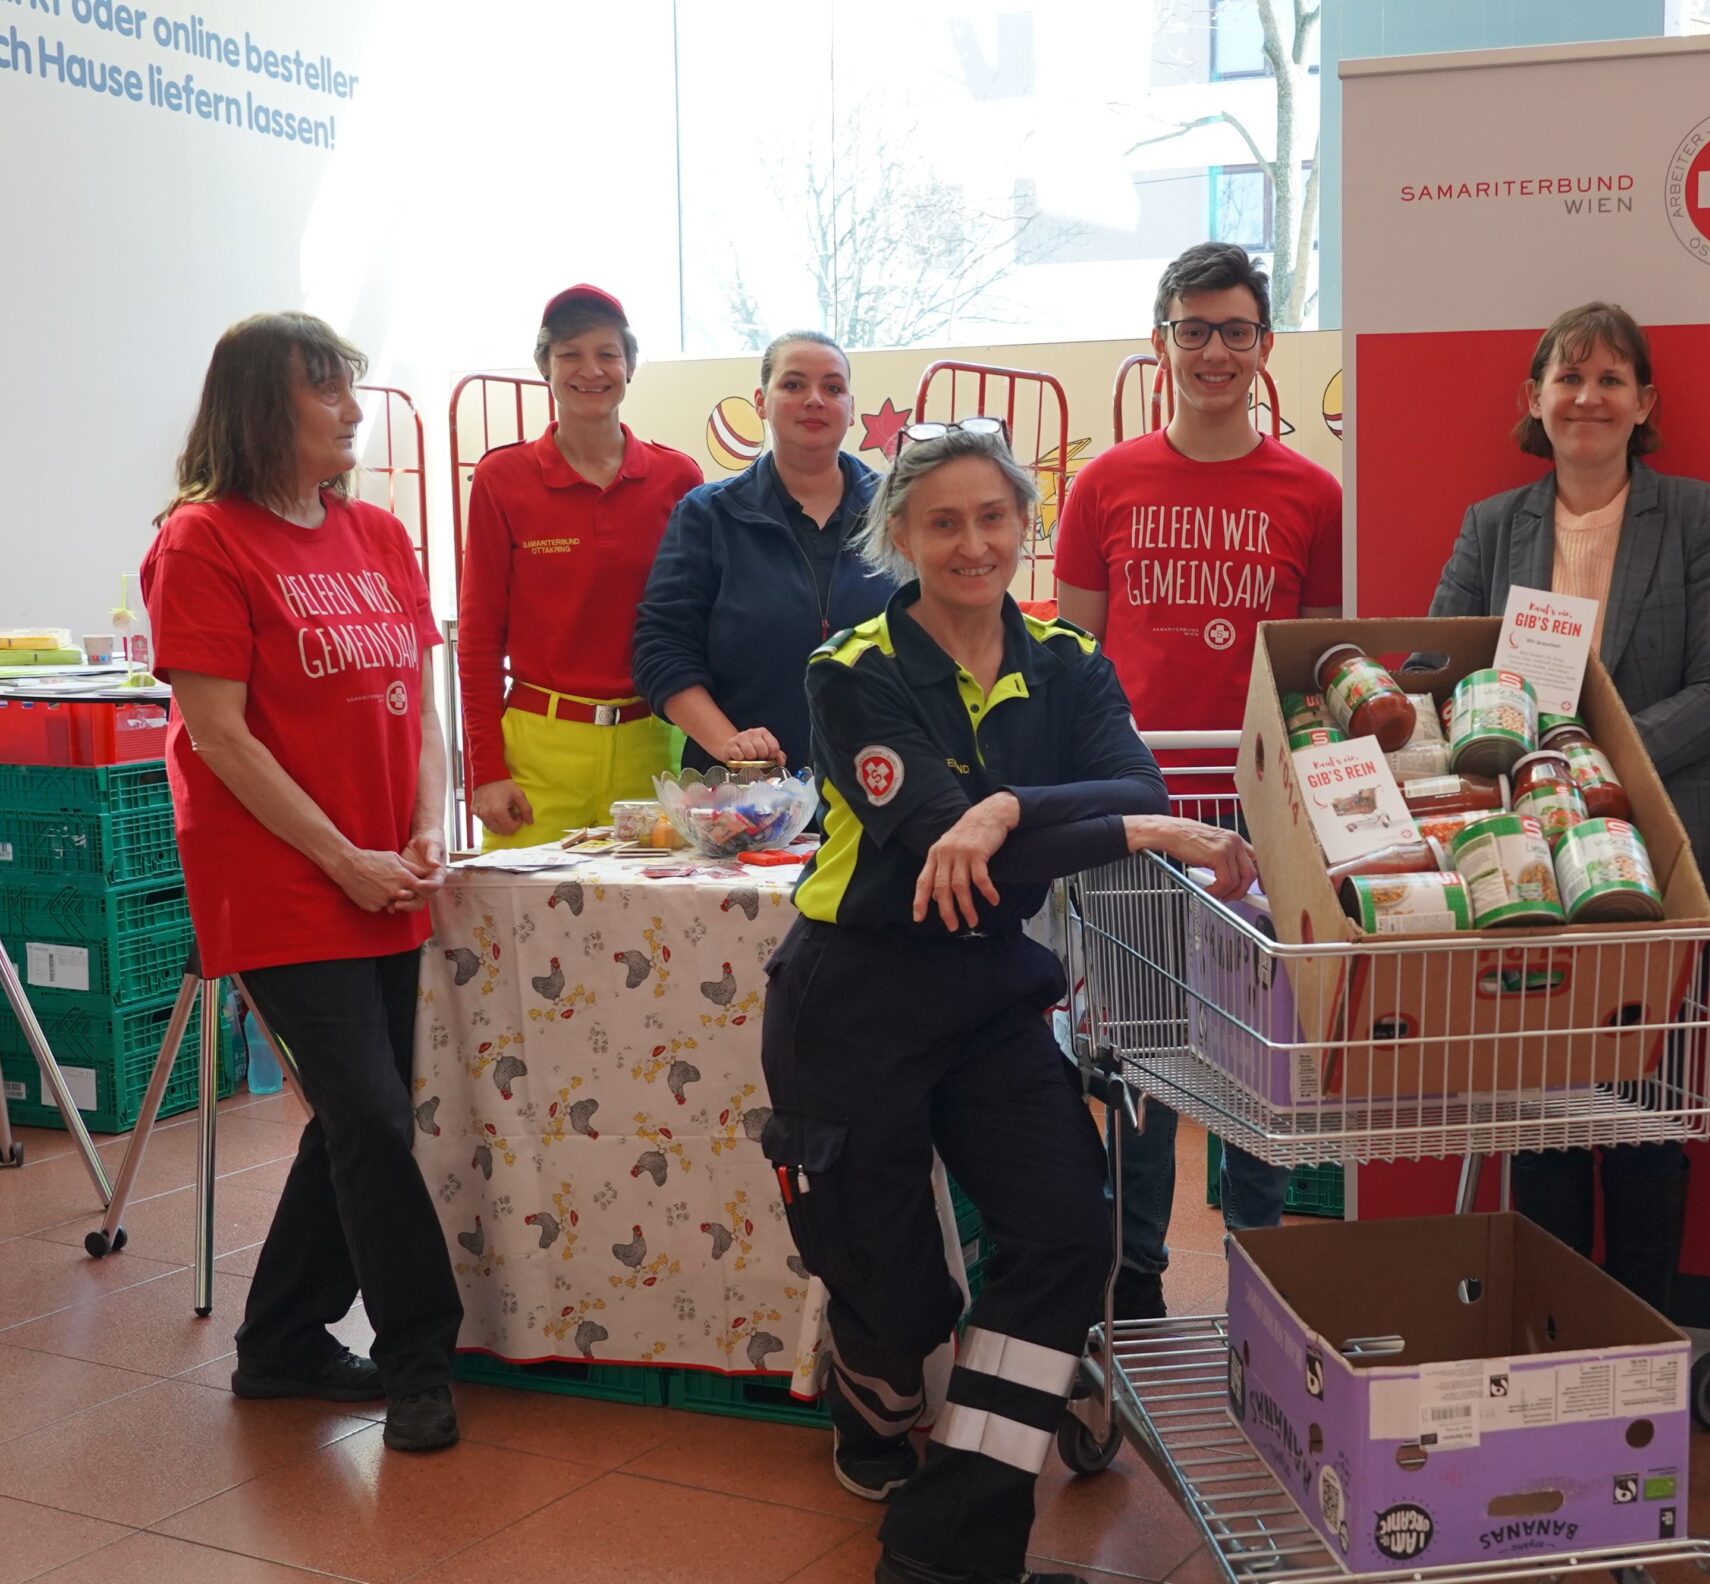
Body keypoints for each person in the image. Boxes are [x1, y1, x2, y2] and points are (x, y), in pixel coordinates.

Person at [762, 425, 1255, 1584]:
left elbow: (1129, 783)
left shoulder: (1067, 659)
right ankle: (873, 1388)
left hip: (989, 996)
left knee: (1065, 1237)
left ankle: (950, 1551)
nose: (972, 543)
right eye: (942, 522)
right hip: (852, 1000)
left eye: (993, 517)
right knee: (901, 1303)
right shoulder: (851, 669)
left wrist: (1007, 805)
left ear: (1025, 527)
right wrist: (1075, 823)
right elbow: (957, 841)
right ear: (901, 535)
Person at [139, 312, 466, 1453]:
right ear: (257, 407)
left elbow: (418, 705)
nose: (351, 409)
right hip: (283, 880)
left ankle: (279, 1340)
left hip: (385, 868)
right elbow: (219, 736)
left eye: (349, 387)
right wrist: (342, 858)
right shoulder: (201, 541)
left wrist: (424, 826)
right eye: (324, 388)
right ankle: (422, 1357)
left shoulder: (376, 533)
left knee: (353, 1117)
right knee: (371, 1118)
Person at [1429, 300, 1710, 1315]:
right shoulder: (1493, 526)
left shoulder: (1701, 517)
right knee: (1543, 1108)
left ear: (1644, 402)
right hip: (1522, 855)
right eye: (1568, 378)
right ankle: (1551, 1332)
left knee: (1648, 1108)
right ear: (1535, 399)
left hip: (1658, 841)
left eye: (1611, 379)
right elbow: (1438, 665)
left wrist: (1590, 758)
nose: (1588, 397)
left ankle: (1643, 1332)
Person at [1052, 241, 1341, 1320]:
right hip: (1135, 812)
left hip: (1264, 817)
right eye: (1193, 330)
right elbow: (1074, 659)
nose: (1214, 351)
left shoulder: (1315, 495)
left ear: (1264, 347)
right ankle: (1136, 1274)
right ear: (1161, 341)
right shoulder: (1104, 484)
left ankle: (1259, 1274)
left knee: (1258, 1055)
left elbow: (1317, 672)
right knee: (1143, 1054)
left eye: (1235, 331)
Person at [458, 285, 701, 846]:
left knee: (659, 903)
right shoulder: (501, 480)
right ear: (544, 365)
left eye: (607, 354)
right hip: (537, 754)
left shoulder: (678, 479)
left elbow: (700, 623)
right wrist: (486, 770)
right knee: (522, 906)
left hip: (652, 745)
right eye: (570, 354)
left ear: (630, 365)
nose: (590, 370)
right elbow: (478, 638)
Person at [632, 329, 898, 772]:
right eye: (793, 384)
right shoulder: (708, 515)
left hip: (882, 784)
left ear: (851, 409)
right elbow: (661, 650)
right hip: (744, 791)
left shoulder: (900, 513)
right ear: (761, 401)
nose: (814, 400)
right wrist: (732, 746)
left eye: (833, 388)